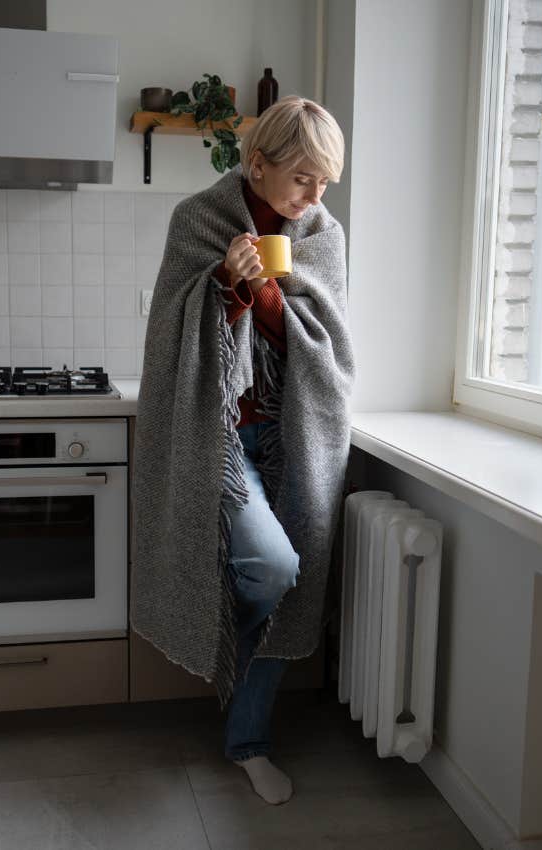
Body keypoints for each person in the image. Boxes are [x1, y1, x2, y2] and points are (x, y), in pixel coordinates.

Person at [131, 95, 354, 807]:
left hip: (293, 435)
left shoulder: (322, 234)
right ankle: (233, 666)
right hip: (217, 435)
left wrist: (266, 295)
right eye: (302, 178)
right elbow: (173, 328)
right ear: (257, 165)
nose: (314, 197)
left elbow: (326, 345)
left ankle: (247, 738)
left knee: (290, 582)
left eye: (325, 181)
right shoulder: (197, 219)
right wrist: (227, 285)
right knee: (273, 567)